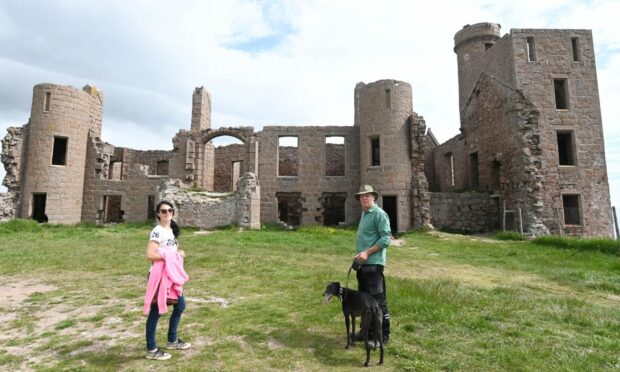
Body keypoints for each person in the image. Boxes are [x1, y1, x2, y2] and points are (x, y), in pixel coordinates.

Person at [144, 200, 191, 360]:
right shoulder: (157, 231)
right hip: (160, 276)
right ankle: (151, 350)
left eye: (170, 210)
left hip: (172, 275)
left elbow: (170, 250)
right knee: (156, 312)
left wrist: (179, 253)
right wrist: (170, 256)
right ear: (158, 213)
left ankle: (172, 340)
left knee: (180, 306)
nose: (167, 213)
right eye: (163, 211)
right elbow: (150, 255)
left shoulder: (170, 230)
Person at [354, 185, 392, 343]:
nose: (364, 198)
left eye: (367, 195)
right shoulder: (365, 214)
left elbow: (386, 239)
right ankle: (366, 332)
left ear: (374, 197)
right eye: (362, 196)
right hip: (363, 264)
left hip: (374, 265)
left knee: (378, 301)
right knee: (365, 301)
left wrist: (367, 253)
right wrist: (360, 254)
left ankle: (383, 335)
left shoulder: (379, 214)